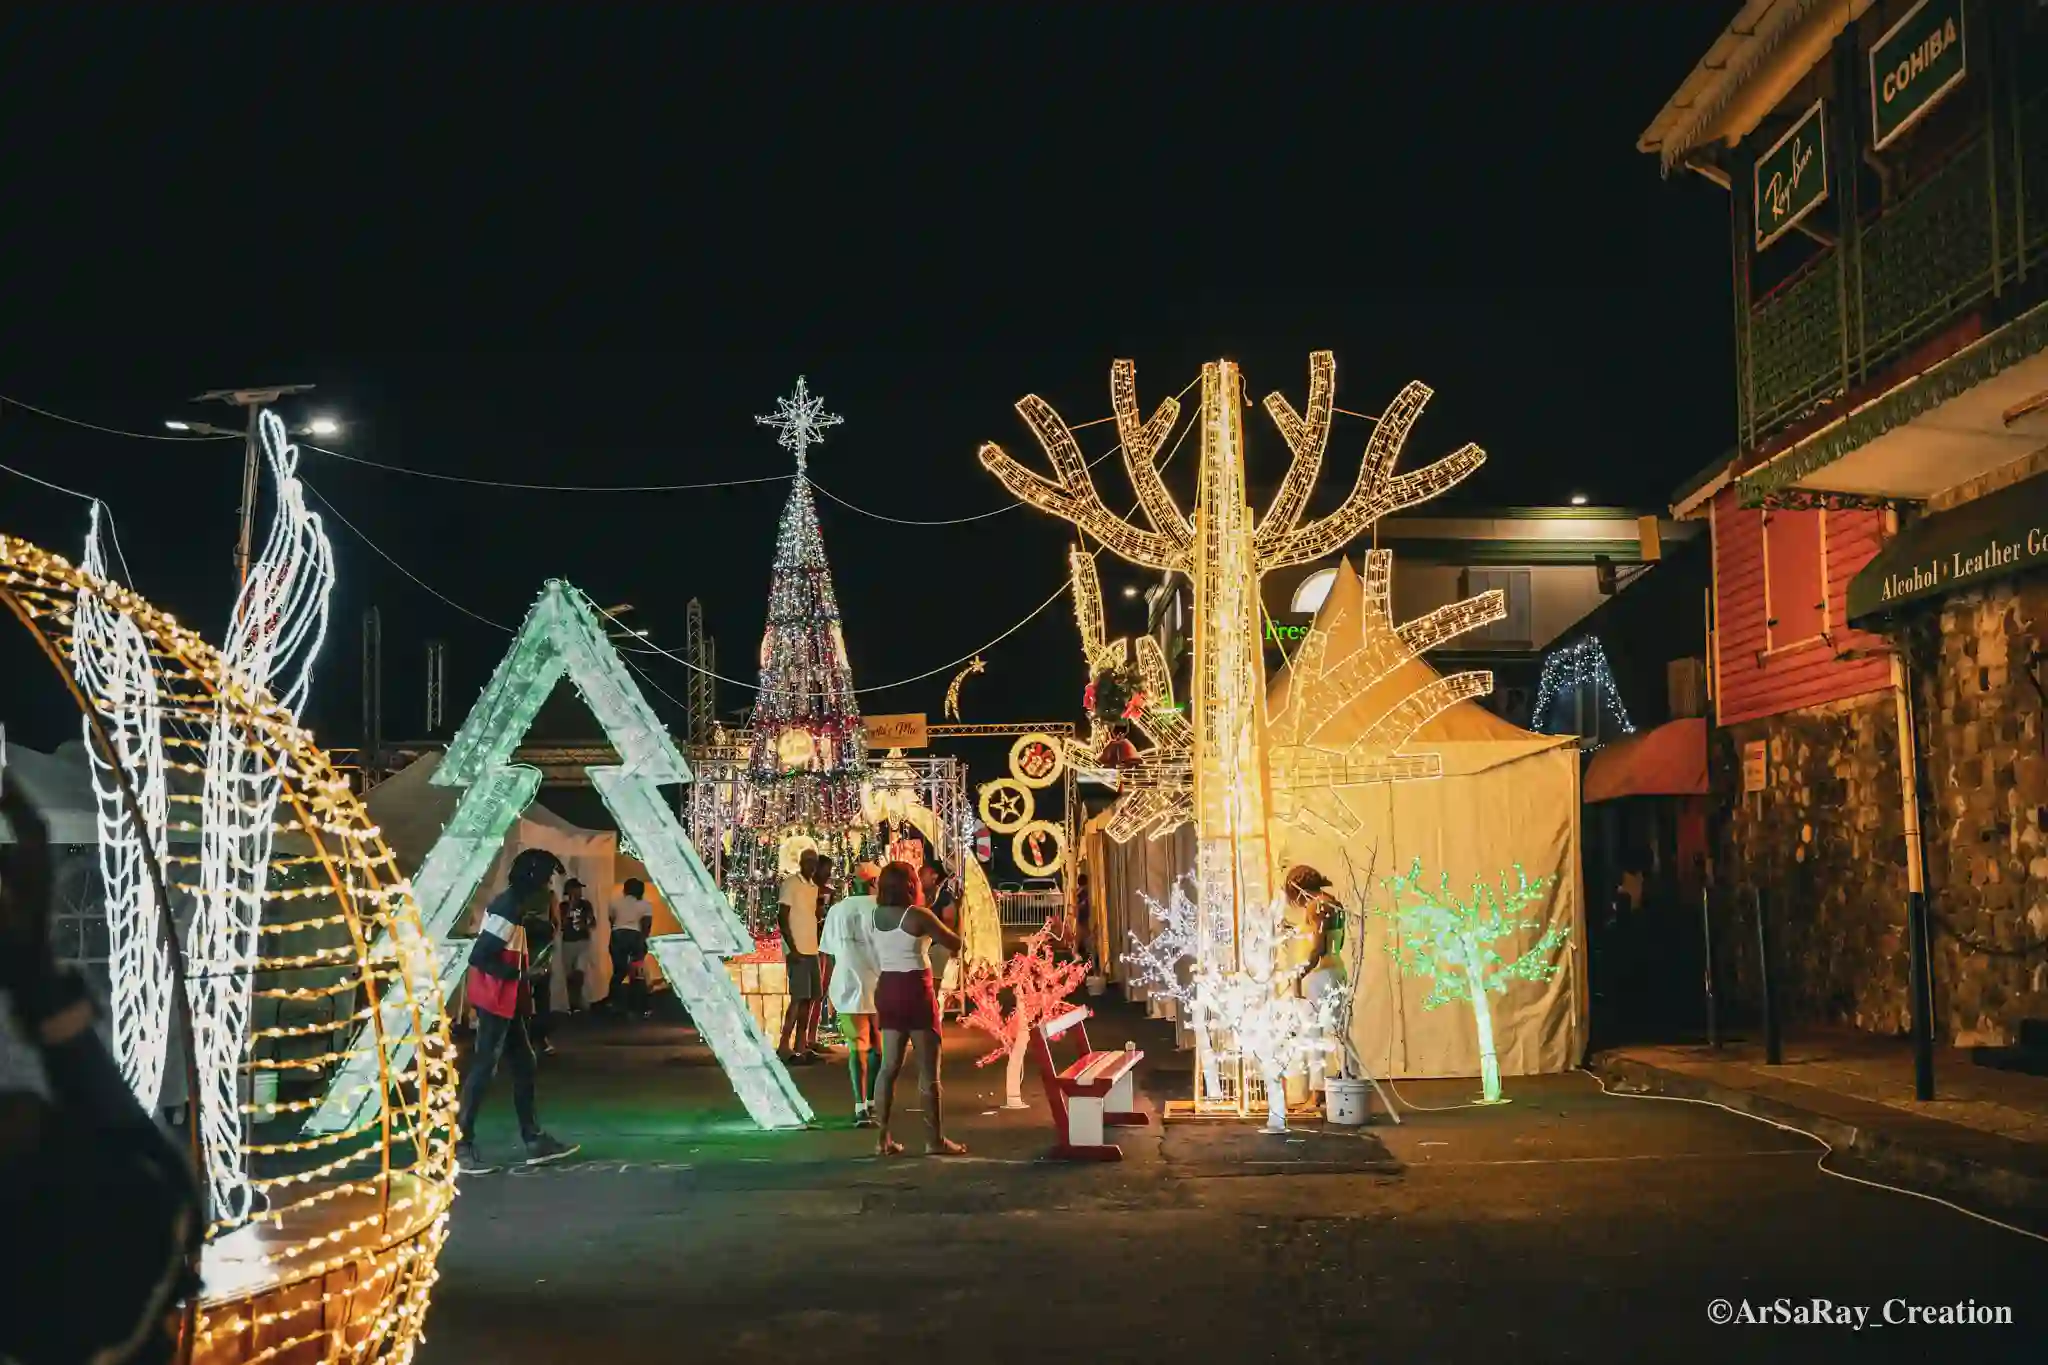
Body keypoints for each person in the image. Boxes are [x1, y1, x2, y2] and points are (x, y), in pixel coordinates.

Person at [1, 778, 201, 1365]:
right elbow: (111, 1116)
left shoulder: (144, 1195)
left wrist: (32, 971)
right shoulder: (139, 1200)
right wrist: (33, 970)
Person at [455, 848, 578, 1173]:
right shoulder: (509, 907)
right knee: (485, 1066)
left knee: (523, 1063)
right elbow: (480, 957)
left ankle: (533, 1139)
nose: (550, 885)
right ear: (534, 879)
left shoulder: (516, 906)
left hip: (505, 998)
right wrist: (522, 975)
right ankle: (461, 1143)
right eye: (547, 878)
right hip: (494, 996)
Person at [869, 861, 966, 1157]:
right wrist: (958, 907)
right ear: (911, 885)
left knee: (888, 1068)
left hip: (887, 988)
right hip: (915, 989)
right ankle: (933, 1140)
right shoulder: (919, 916)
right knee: (928, 1073)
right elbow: (954, 942)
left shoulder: (876, 915)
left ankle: (882, 1139)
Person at [819, 879, 883, 1126]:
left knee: (858, 1046)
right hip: (880, 984)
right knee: (878, 1046)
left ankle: (861, 1106)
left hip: (847, 984)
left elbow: (829, 953)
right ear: (874, 883)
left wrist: (827, 989)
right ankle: (870, 1102)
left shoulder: (837, 910)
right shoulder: (882, 908)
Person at [777, 850, 823, 1062]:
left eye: (815, 862)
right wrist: (792, 948)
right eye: (808, 861)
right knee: (797, 999)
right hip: (798, 952)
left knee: (810, 999)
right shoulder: (791, 883)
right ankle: (784, 1046)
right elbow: (782, 916)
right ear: (802, 862)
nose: (812, 866)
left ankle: (801, 1046)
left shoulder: (814, 888)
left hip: (811, 950)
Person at [918, 859, 960, 1013]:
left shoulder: (944, 897)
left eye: (923, 874)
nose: (919, 877)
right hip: (927, 945)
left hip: (938, 946)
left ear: (934, 876)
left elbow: (949, 922)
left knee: (931, 985)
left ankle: (932, 1014)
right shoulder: (926, 896)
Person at [608, 877, 654, 1019]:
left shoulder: (615, 902)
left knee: (619, 972)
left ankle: (615, 1004)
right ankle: (638, 1007)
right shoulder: (645, 904)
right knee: (636, 973)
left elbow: (612, 920)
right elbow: (646, 925)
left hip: (617, 935)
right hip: (634, 936)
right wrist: (643, 941)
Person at [559, 878, 597, 1013]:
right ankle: (572, 1003)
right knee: (569, 975)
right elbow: (560, 925)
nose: (579, 891)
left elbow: (593, 923)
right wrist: (570, 907)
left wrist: (585, 925)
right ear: (569, 890)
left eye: (580, 888)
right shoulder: (562, 906)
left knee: (579, 972)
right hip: (568, 942)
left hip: (583, 941)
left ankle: (578, 1001)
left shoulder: (586, 905)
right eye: (577, 888)